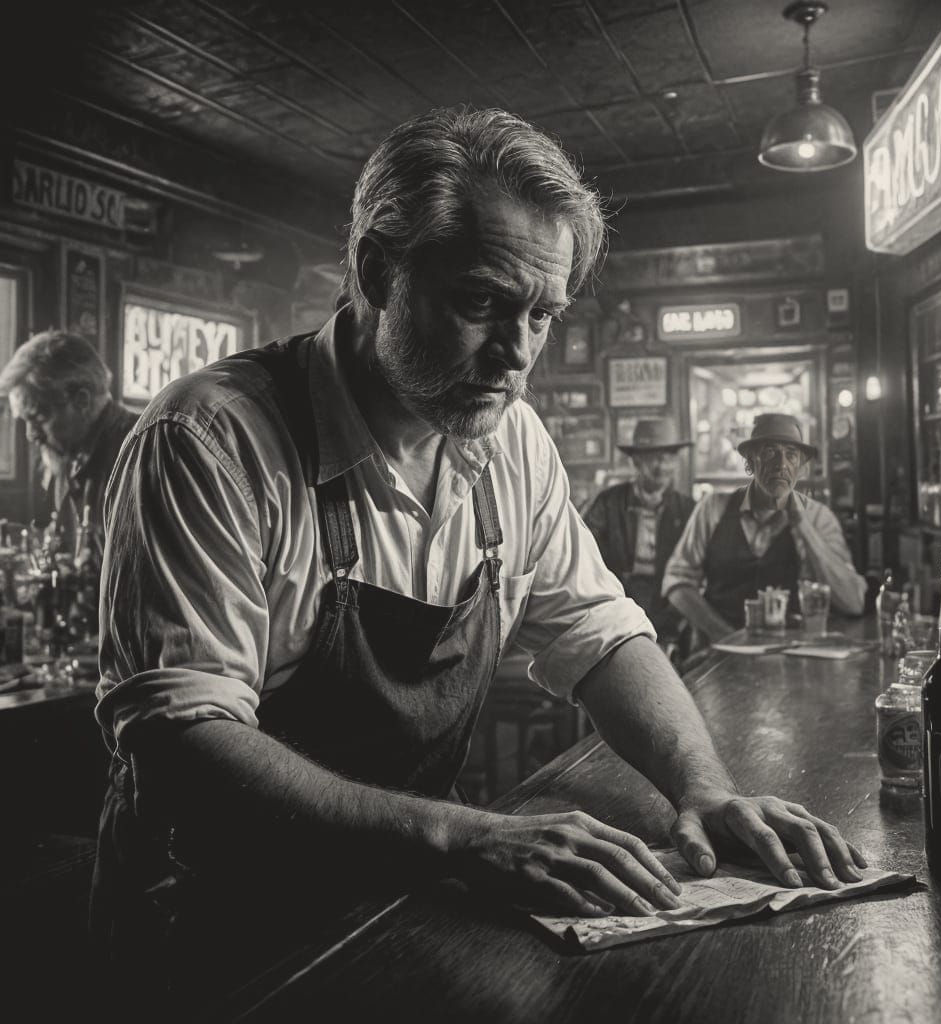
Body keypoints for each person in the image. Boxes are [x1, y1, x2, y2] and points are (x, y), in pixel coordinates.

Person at [92, 108, 866, 999]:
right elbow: (183, 744)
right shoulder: (213, 437)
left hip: (400, 895)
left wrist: (704, 787)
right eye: (481, 303)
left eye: (542, 315)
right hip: (215, 925)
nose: (515, 355)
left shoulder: (514, 440)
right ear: (379, 271)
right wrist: (464, 835)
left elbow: (603, 634)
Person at [662, 412, 867, 645]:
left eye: (791, 455)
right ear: (750, 462)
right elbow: (676, 583)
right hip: (716, 653)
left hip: (792, 656)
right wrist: (725, 636)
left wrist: (803, 526)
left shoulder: (819, 518)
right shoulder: (713, 509)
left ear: (801, 468)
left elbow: (853, 602)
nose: (781, 465)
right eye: (770, 452)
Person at [0, 330, 138, 573]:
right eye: (24, 421)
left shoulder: (141, 454)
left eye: (38, 417)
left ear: (82, 401)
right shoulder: (65, 455)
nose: (30, 434)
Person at [583, 417, 695, 654]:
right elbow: (584, 559)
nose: (662, 466)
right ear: (635, 460)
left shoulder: (688, 510)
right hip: (616, 607)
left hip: (670, 611)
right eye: (653, 458)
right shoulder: (608, 504)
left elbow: (695, 574)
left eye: (669, 458)